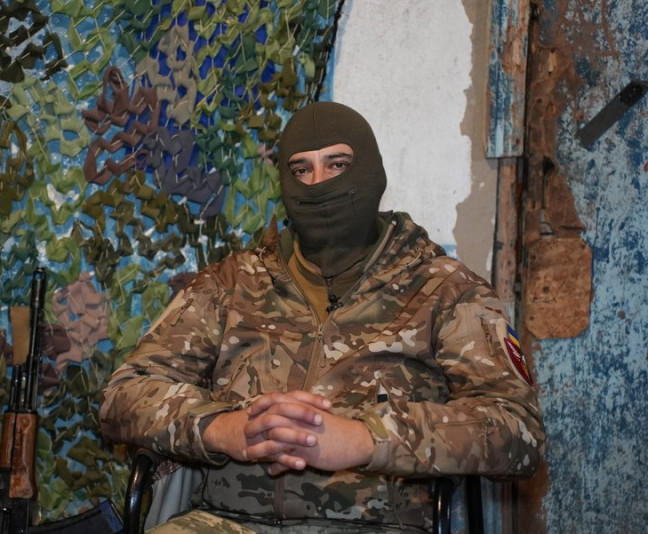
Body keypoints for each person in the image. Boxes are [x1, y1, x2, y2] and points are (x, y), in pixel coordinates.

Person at [99, 101, 545, 533]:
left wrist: (366, 439)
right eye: (301, 170)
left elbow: (517, 431)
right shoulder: (231, 283)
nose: (317, 184)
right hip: (225, 520)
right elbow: (123, 396)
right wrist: (223, 428)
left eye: (337, 165)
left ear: (371, 172)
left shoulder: (445, 290)